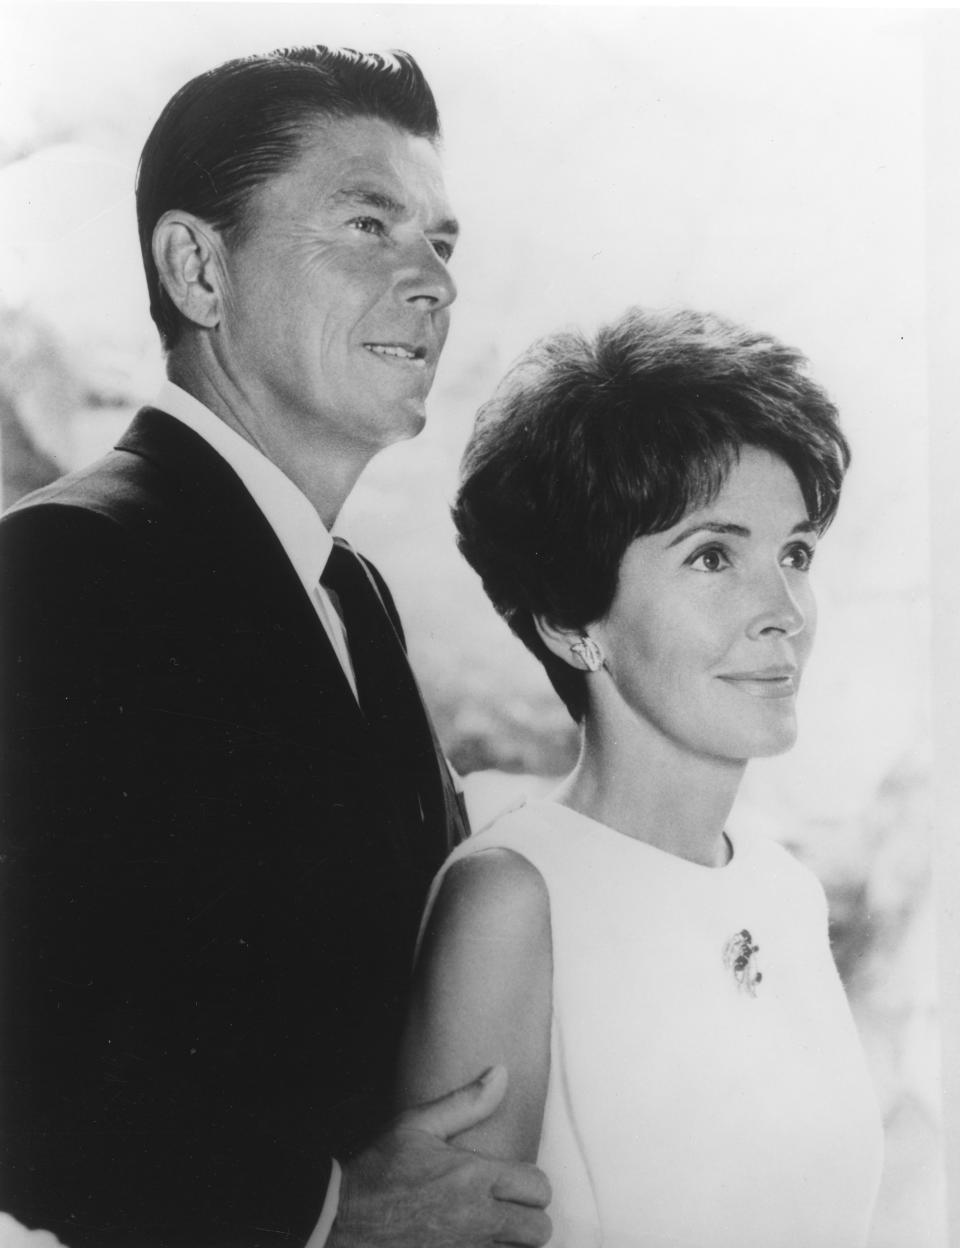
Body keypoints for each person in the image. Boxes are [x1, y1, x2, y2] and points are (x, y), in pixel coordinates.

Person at [0, 46, 551, 1248]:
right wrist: (334, 1211)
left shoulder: (349, 588)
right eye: (368, 222)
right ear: (198, 268)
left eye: (442, 243)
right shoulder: (57, 569)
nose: (433, 284)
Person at [397, 307, 885, 1247]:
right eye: (713, 556)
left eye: (794, 553)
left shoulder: (783, 890)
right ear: (571, 622)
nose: (783, 609)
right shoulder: (512, 900)